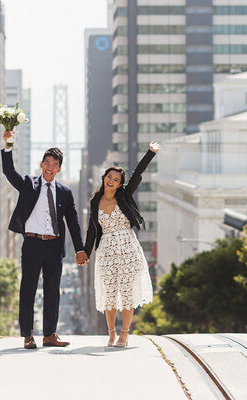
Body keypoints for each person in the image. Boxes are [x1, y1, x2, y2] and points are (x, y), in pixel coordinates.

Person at [1, 130, 88, 349]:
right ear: (41, 164)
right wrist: (9, 145)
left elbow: (74, 223)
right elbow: (9, 171)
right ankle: (28, 335)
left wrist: (80, 249)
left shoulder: (66, 192)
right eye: (47, 163)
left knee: (52, 291)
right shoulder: (29, 184)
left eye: (54, 164)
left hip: (54, 246)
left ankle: (50, 334)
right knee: (28, 289)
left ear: (59, 168)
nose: (50, 167)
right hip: (32, 244)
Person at [84, 141, 160, 348]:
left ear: (120, 184)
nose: (112, 181)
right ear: (104, 178)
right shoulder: (95, 201)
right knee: (109, 293)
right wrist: (85, 252)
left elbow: (137, 174)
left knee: (126, 291)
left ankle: (125, 334)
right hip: (106, 249)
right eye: (109, 177)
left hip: (127, 247)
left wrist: (150, 153)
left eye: (116, 179)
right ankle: (111, 334)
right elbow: (92, 229)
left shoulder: (124, 196)